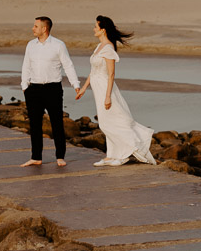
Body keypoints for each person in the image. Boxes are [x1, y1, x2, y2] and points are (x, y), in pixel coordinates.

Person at [76, 15, 157, 166]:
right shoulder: (99, 47)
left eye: (96, 26)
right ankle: (111, 156)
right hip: (98, 88)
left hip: (106, 88)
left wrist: (108, 96)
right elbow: (93, 71)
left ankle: (127, 152)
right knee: (107, 121)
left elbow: (111, 74)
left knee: (111, 121)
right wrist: (83, 88)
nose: (94, 29)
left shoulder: (108, 48)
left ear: (103, 30)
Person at [20, 16, 81, 167]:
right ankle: (36, 157)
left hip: (53, 89)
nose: (33, 28)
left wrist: (75, 84)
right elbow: (26, 66)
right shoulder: (30, 45)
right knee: (34, 124)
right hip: (33, 89)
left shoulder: (58, 45)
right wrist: (24, 86)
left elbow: (68, 65)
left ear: (44, 29)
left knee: (56, 123)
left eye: (36, 26)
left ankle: (60, 156)